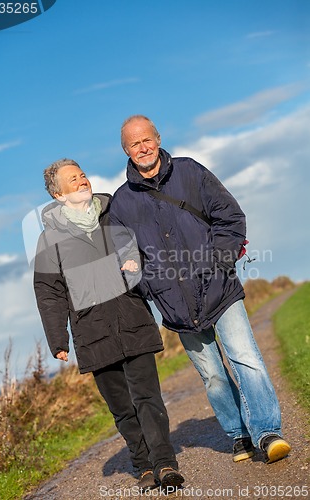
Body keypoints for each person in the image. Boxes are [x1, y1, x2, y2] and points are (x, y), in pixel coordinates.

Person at [109, 115, 291, 464]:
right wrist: (153, 288)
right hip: (175, 304)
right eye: (135, 143)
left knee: (246, 359)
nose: (144, 147)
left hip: (219, 288)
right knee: (212, 376)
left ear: (158, 139)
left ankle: (268, 432)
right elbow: (125, 259)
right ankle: (238, 434)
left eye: (148, 139)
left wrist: (220, 261)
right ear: (126, 150)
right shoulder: (122, 203)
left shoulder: (191, 172)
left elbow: (230, 216)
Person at [33, 158, 184, 491]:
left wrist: (134, 264)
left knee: (148, 396)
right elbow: (49, 292)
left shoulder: (114, 215)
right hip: (92, 331)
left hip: (131, 316)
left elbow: (142, 249)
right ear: (58, 194)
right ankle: (144, 466)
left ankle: (164, 463)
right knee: (121, 407)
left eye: (83, 175)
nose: (82, 180)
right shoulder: (48, 241)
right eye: (73, 179)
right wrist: (58, 339)